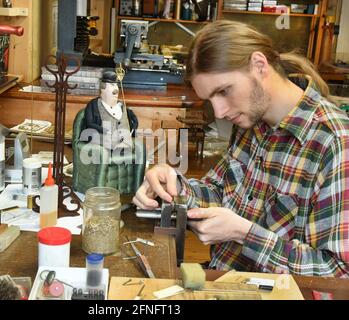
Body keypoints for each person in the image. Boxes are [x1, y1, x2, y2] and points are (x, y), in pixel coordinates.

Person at [133, 20, 349, 277]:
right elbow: (219, 193)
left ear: (259, 66)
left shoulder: (334, 142)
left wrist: (244, 234)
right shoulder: (252, 122)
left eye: (224, 91)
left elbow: (338, 273)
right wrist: (172, 185)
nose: (219, 112)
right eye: (210, 99)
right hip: (222, 280)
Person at [83, 70, 138, 154]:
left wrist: (134, 126)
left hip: (124, 144)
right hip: (104, 144)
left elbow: (132, 118)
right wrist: (106, 131)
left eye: (116, 85)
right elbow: (90, 123)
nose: (116, 88)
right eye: (112, 85)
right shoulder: (93, 105)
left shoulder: (121, 105)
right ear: (103, 89)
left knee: (139, 150)